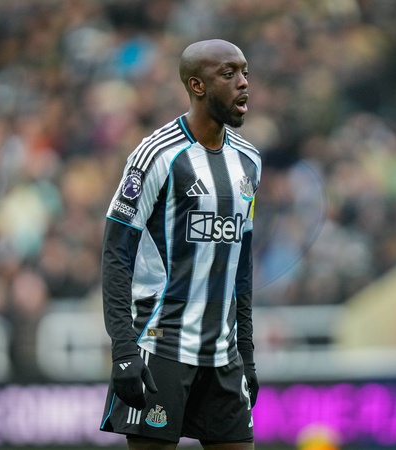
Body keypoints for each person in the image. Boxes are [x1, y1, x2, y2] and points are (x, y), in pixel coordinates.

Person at [99, 39, 262, 450]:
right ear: (197, 85)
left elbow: (240, 266)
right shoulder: (156, 154)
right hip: (161, 347)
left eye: (244, 72)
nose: (243, 83)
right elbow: (116, 254)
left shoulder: (249, 161)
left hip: (223, 355)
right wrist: (122, 349)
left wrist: (246, 352)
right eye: (229, 74)